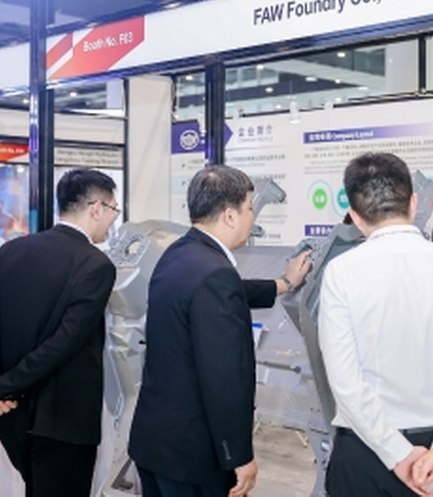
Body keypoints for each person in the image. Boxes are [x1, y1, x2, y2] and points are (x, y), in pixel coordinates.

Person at [128, 165, 312, 497]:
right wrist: (239, 456)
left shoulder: (181, 255)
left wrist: (283, 283)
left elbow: (224, 290)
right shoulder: (215, 274)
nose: (252, 219)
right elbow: (225, 378)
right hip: (194, 458)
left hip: (155, 444)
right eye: (250, 208)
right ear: (229, 215)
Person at [319, 152, 433, 497]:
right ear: (414, 202)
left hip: (365, 454)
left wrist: (398, 454)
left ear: (354, 216)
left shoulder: (341, 273)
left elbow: (345, 380)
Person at [0, 168, 120, 497]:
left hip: (10, 418)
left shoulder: (10, 252)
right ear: (96, 208)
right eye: (114, 209)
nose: (114, 219)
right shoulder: (96, 265)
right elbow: (63, 344)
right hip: (63, 423)